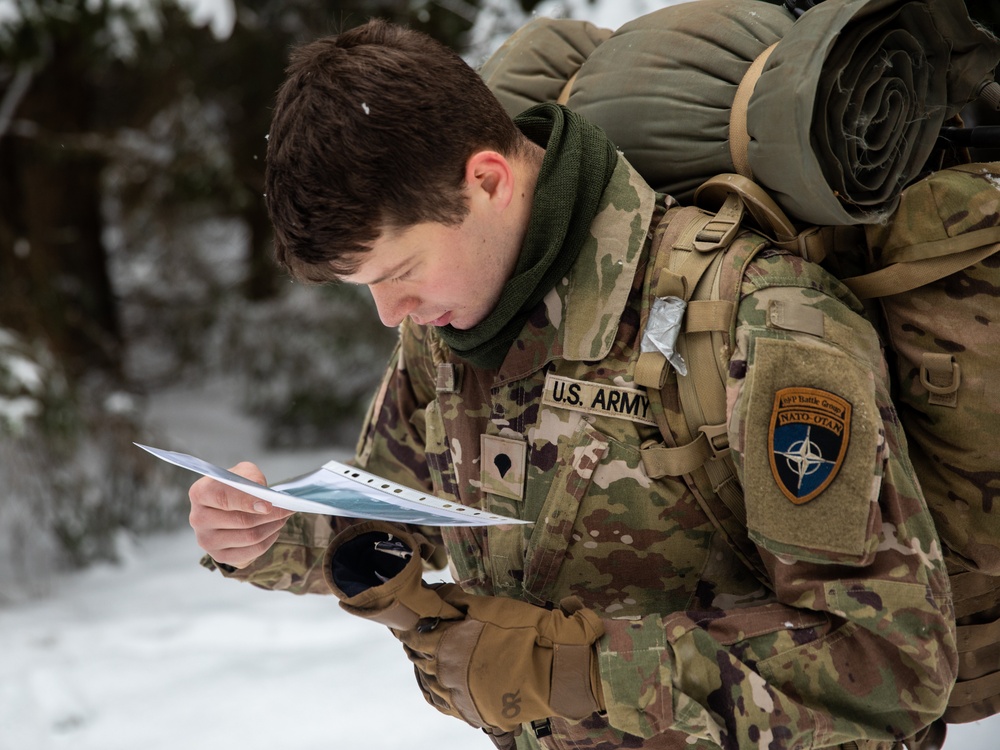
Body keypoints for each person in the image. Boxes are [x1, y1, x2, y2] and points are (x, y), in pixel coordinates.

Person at [188, 18, 957, 750]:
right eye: (367, 289)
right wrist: (275, 531)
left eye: (399, 273)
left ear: (486, 181)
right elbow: (397, 508)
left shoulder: (757, 321)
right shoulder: (452, 331)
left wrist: (576, 670)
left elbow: (889, 666)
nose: (392, 315)